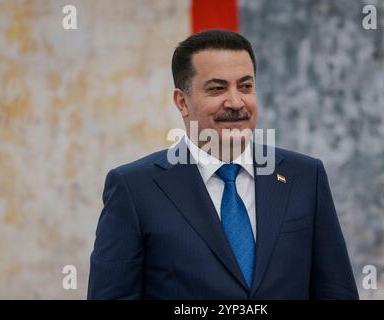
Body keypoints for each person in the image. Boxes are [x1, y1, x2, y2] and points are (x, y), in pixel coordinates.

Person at [87, 29, 359, 299]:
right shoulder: (134, 188)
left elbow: (336, 291)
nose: (235, 102)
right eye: (217, 88)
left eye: (245, 86)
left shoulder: (305, 176)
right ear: (182, 102)